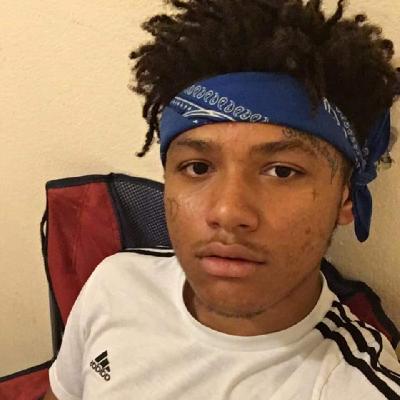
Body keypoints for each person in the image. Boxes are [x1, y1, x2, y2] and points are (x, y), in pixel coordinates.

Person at [45, 0, 400, 399]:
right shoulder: (115, 285)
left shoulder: (352, 387)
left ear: (345, 199)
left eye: (282, 171)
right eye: (198, 167)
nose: (228, 212)